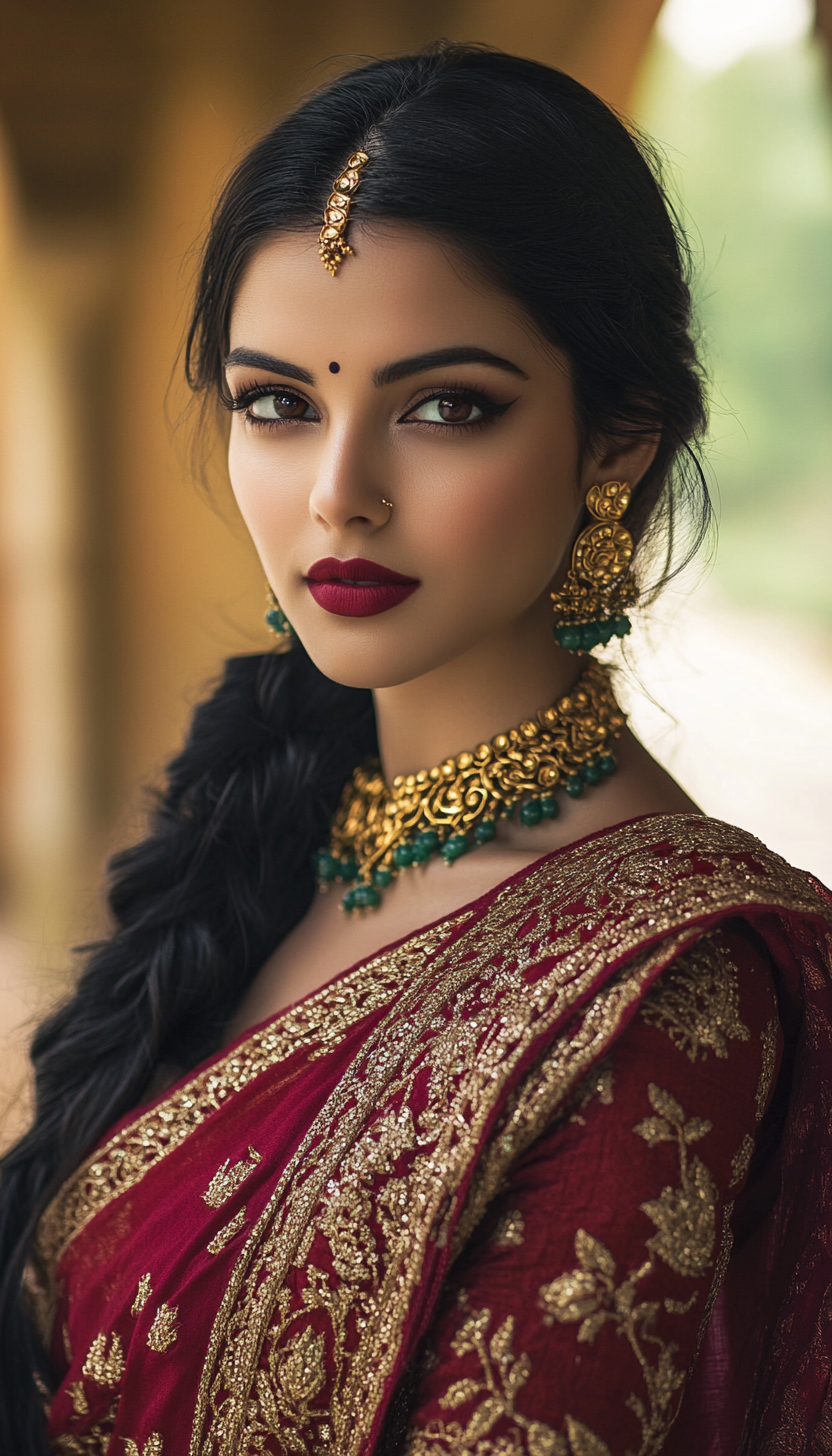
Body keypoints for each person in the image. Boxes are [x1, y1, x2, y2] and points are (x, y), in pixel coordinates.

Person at [1, 43, 830, 1456]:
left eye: (447, 406)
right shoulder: (273, 827)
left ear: (615, 440)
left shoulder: (675, 988)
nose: (339, 496)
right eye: (279, 403)